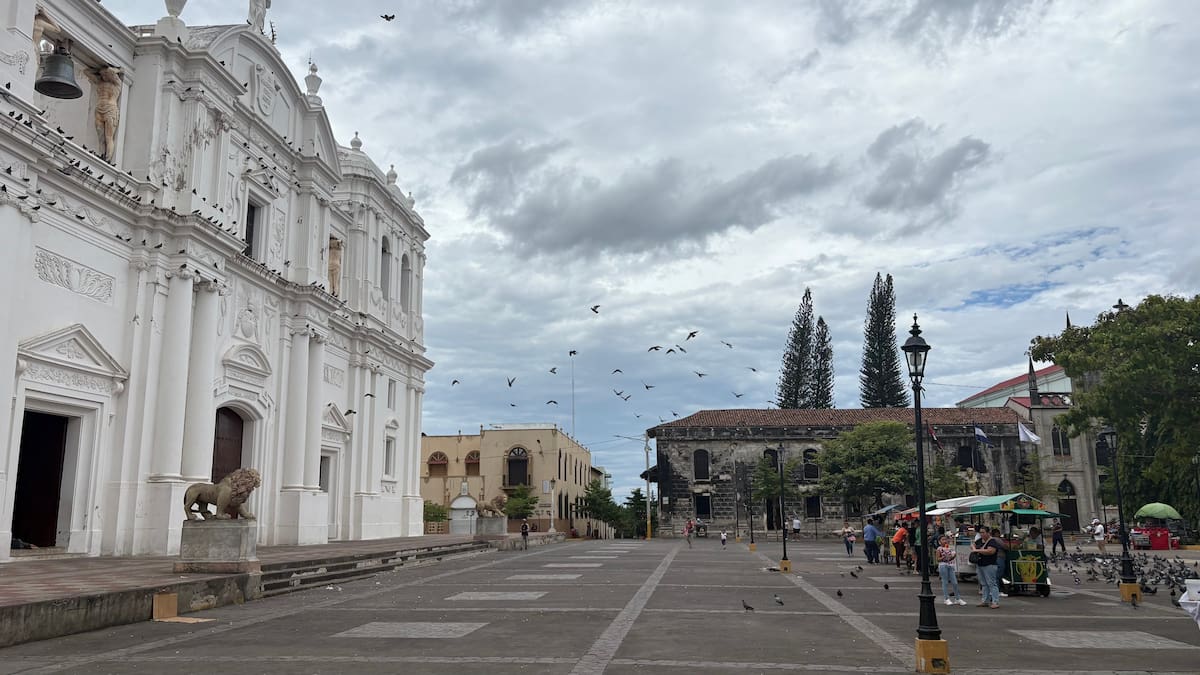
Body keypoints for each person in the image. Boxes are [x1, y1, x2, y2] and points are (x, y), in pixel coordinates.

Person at [972, 527, 1002, 608]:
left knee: (991, 583)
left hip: (990, 564)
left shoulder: (992, 541)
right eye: (980, 532)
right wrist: (974, 549)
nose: (982, 534)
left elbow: (991, 551)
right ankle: (985, 600)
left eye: (983, 532)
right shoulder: (979, 541)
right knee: (984, 584)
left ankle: (995, 601)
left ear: (988, 533)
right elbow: (973, 545)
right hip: (980, 564)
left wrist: (977, 551)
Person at [936, 535, 967, 606]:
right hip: (943, 565)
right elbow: (938, 559)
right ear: (939, 541)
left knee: (955, 582)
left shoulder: (950, 548)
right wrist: (943, 557)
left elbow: (951, 557)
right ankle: (946, 598)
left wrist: (953, 556)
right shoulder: (939, 549)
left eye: (945, 539)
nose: (945, 541)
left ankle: (957, 598)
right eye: (943, 540)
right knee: (945, 582)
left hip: (950, 565)